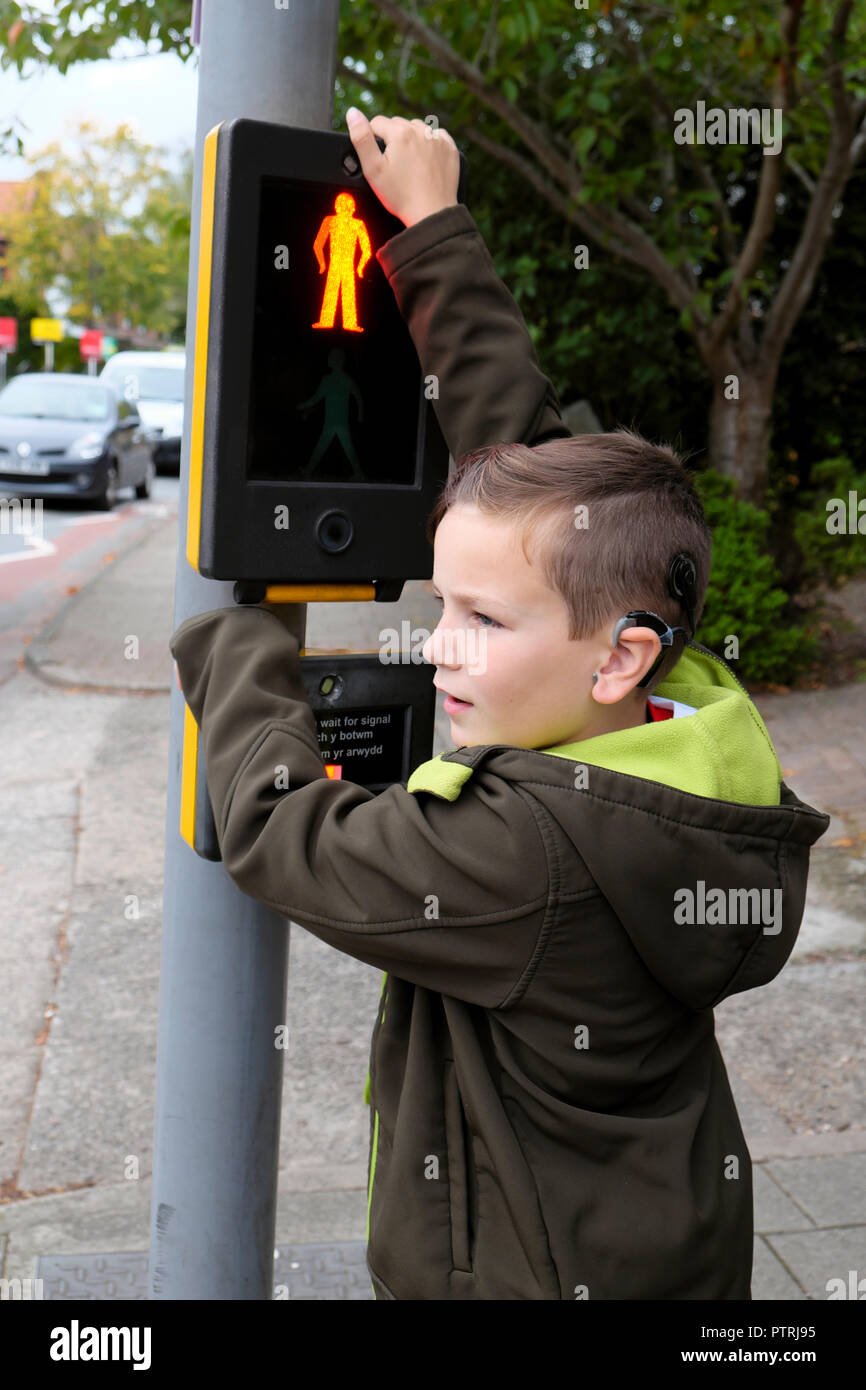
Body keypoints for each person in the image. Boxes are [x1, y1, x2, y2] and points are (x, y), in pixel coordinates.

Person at [169, 110, 830, 1300]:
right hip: (667, 1255)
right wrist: (432, 233)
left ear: (616, 657)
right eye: (447, 602)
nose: (440, 643)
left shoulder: (522, 853)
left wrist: (237, 639)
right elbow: (527, 484)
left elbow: (282, 831)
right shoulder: (686, 721)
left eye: (482, 620)